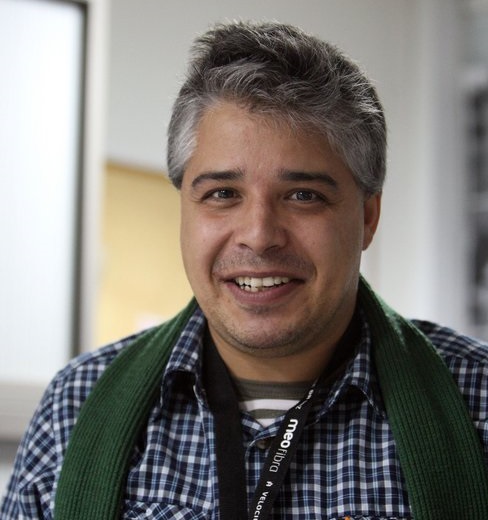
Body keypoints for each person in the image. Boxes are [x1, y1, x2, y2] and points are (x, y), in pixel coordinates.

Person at [2, 20, 488, 520]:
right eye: (222, 194)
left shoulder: (479, 404)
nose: (258, 235)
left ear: (368, 217)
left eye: (303, 196)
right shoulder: (75, 407)